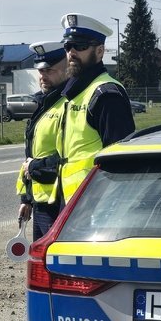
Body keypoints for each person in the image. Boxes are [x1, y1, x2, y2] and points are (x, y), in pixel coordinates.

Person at [55, 13, 136, 203]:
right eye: (68, 46)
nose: (72, 53)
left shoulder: (106, 94)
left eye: (81, 46)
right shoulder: (75, 92)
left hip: (97, 205)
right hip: (74, 204)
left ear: (100, 52)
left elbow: (121, 161)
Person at [17, 41, 70, 240]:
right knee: (40, 260)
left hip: (60, 201)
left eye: (49, 70)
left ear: (66, 69)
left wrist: (36, 167)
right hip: (40, 202)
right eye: (40, 71)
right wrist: (27, 199)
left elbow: (68, 156)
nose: (42, 76)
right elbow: (31, 154)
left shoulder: (69, 104)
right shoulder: (43, 103)